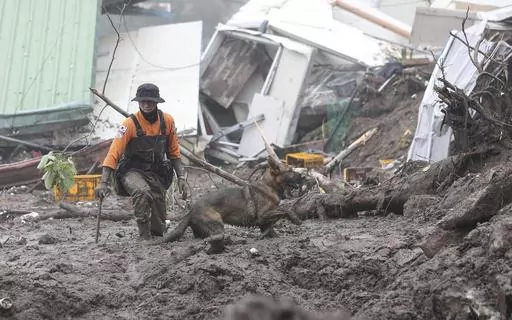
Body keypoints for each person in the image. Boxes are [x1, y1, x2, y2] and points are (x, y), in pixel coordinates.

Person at [95, 83, 189, 240]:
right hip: (132, 172)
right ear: (138, 102)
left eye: (150, 101)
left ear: (157, 102)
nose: (146, 105)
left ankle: (157, 235)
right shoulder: (128, 125)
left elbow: (174, 152)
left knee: (158, 206)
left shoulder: (167, 121)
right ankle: (143, 236)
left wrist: (181, 177)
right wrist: (103, 182)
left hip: (156, 172)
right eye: (142, 101)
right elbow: (113, 154)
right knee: (142, 192)